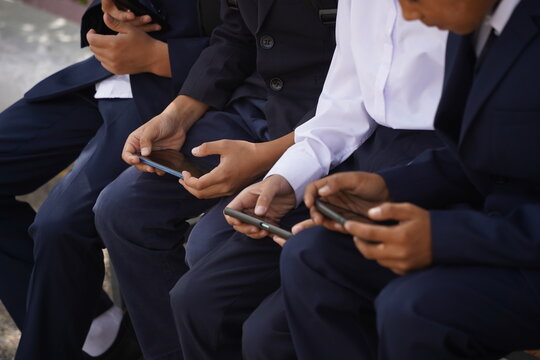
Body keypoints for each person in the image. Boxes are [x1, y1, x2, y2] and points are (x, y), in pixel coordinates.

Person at [169, 0, 448, 358]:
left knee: (269, 335)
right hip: (358, 152)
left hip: (443, 161)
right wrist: (286, 178)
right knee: (198, 301)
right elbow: (344, 104)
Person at [275, 0, 540, 358]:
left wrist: (444, 237)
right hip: (492, 227)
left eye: (412, 0)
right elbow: (488, 152)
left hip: (520, 244)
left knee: (414, 309)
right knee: (310, 254)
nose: (408, 15)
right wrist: (390, 189)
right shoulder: (475, 23)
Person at [92, 0, 337, 357]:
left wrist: (268, 157)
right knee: (119, 209)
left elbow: (361, 92)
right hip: (250, 104)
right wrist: (179, 112)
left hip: (323, 126)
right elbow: (235, 30)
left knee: (207, 248)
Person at [0, 0, 209, 358]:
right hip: (102, 77)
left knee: (61, 224)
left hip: (181, 98)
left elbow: (273, 39)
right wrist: (110, 13)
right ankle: (101, 331)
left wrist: (162, 58)